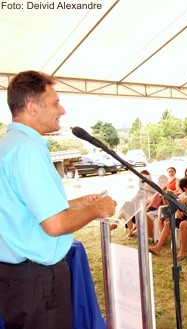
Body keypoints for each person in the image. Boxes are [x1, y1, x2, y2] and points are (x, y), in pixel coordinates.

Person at [0, 70, 116, 328]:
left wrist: (78, 203)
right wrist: (97, 208)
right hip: (37, 281)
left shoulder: (9, 145)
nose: (61, 110)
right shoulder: (27, 151)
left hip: (15, 277)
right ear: (31, 107)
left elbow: (26, 211)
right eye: (55, 102)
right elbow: (54, 225)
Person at [149, 178, 187, 258]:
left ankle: (182, 251)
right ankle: (158, 248)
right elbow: (177, 205)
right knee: (168, 223)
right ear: (185, 188)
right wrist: (178, 212)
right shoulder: (182, 196)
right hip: (185, 216)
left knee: (183, 224)